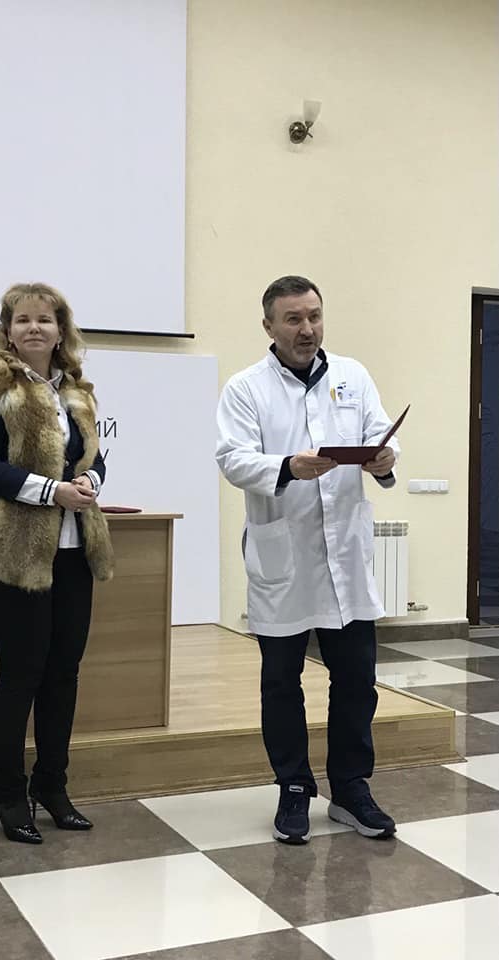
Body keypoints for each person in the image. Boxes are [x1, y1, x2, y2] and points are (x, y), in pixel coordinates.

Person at [216, 275, 398, 845]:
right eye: (293, 319)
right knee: (281, 683)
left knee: (357, 679)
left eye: (314, 316)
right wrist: (287, 467)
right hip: (284, 556)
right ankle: (294, 787)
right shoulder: (246, 388)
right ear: (268, 326)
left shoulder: (352, 375)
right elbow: (232, 458)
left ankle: (351, 788)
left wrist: (385, 458)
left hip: (345, 556)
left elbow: (379, 434)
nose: (307, 328)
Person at [0, 281, 113, 845]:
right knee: (20, 674)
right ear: (8, 330)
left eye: (44, 320)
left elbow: (95, 457)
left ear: (60, 329)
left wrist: (91, 480)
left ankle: (53, 785)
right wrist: (52, 491)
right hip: (15, 551)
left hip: (75, 550)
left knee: (64, 673)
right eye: (22, 320)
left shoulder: (75, 389)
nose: (34, 328)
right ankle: (8, 795)